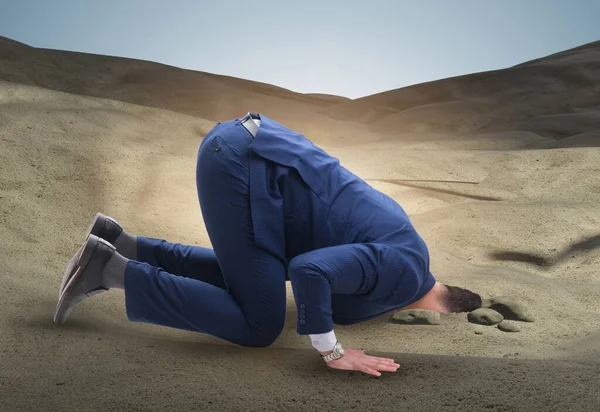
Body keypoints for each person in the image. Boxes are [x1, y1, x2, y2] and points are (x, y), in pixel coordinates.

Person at [54, 113, 482, 377]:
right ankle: (109, 269)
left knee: (260, 279)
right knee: (260, 324)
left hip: (252, 146)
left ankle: (122, 243)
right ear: (439, 307)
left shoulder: (409, 247)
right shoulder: (401, 274)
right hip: (243, 164)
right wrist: (331, 351)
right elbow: (310, 271)